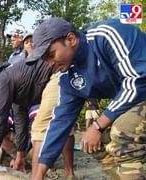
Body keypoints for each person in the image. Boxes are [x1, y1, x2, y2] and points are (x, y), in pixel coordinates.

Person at [29, 18, 146, 179]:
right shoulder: (67, 76)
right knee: (92, 143)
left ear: (70, 39)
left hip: (142, 89)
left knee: (122, 130)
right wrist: (39, 172)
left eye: (51, 55)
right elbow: (60, 122)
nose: (50, 64)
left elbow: (138, 81)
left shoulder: (105, 36)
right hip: (135, 102)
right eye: (45, 60)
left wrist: (98, 125)